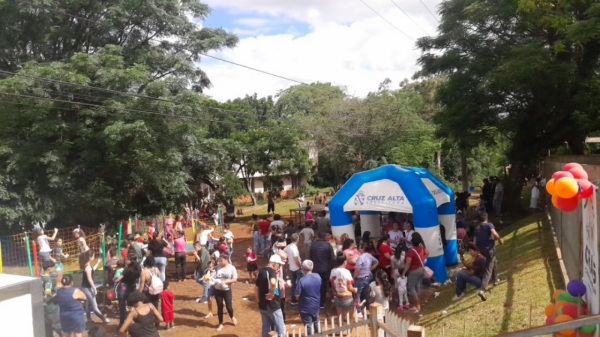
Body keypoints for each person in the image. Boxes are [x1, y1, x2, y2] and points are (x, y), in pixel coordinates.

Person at [255, 254, 287, 337]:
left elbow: (256, 288)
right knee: (281, 328)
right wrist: (272, 294)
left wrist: (258, 302)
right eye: (279, 265)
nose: (279, 268)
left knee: (266, 327)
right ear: (274, 264)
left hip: (263, 305)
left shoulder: (261, 271)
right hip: (273, 306)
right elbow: (273, 282)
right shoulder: (272, 271)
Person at [474, 212, 504, 291]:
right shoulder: (489, 225)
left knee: (493, 261)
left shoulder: (477, 229)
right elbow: (494, 233)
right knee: (488, 269)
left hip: (482, 250)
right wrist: (500, 240)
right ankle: (482, 289)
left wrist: (479, 249)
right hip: (490, 249)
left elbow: (474, 242)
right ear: (486, 218)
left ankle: (495, 280)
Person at [79, 250, 110, 324]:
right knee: (94, 306)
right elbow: (90, 279)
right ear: (90, 257)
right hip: (87, 288)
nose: (94, 257)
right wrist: (94, 288)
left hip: (85, 287)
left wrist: (98, 263)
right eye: (93, 256)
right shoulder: (88, 268)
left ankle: (88, 318)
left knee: (88, 303)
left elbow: (92, 270)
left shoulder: (86, 265)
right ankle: (103, 318)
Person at [401, 233, 429, 313]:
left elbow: (408, 263)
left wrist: (404, 272)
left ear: (412, 243)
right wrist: (422, 259)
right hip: (421, 269)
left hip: (414, 271)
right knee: (418, 286)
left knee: (411, 288)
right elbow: (427, 253)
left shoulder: (411, 252)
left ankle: (417, 305)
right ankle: (418, 303)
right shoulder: (422, 248)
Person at [309, 231, 335, 309]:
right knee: (323, 286)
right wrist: (330, 267)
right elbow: (332, 258)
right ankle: (322, 302)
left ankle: (315, 301)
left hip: (315, 268)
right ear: (324, 237)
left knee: (315, 285)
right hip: (325, 269)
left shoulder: (313, 245)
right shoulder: (328, 245)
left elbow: (310, 256)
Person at [295, 260, 321, 335]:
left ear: (303, 268)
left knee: (308, 324)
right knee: (316, 321)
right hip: (316, 305)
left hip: (305, 307)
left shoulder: (302, 280)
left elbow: (297, 295)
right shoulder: (318, 276)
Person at [330, 252, 358, 321]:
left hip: (337, 297)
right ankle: (348, 331)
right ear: (345, 262)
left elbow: (332, 285)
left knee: (340, 317)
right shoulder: (346, 272)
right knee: (350, 318)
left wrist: (335, 293)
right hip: (347, 298)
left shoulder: (333, 271)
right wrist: (355, 290)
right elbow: (350, 287)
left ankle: (340, 331)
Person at [214, 255, 238, 332]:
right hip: (218, 290)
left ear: (226, 260)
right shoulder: (217, 267)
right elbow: (213, 276)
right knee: (219, 307)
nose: (220, 262)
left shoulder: (232, 268)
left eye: (221, 261)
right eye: (219, 261)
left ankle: (232, 316)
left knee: (229, 307)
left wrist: (225, 282)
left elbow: (235, 279)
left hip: (227, 290)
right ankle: (221, 323)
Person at [354, 242, 378, 309]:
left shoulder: (360, 258)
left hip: (361, 277)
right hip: (368, 276)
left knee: (357, 294)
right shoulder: (369, 255)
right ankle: (367, 308)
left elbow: (358, 270)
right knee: (366, 293)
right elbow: (376, 262)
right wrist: (370, 269)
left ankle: (358, 310)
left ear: (362, 249)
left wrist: (354, 277)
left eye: (359, 247)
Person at [118, 260, 141, 327]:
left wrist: (115, 280)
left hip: (124, 287)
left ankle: (121, 323)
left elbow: (120, 277)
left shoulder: (126, 270)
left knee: (122, 306)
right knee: (132, 306)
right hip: (132, 288)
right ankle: (133, 322)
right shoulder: (137, 272)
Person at [283, 233, 302, 305]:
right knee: (299, 284)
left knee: (294, 284)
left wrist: (287, 260)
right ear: (297, 239)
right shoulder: (294, 248)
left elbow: (283, 252)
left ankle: (293, 300)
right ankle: (298, 299)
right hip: (296, 268)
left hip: (291, 267)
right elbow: (296, 259)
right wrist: (300, 266)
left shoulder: (288, 247)